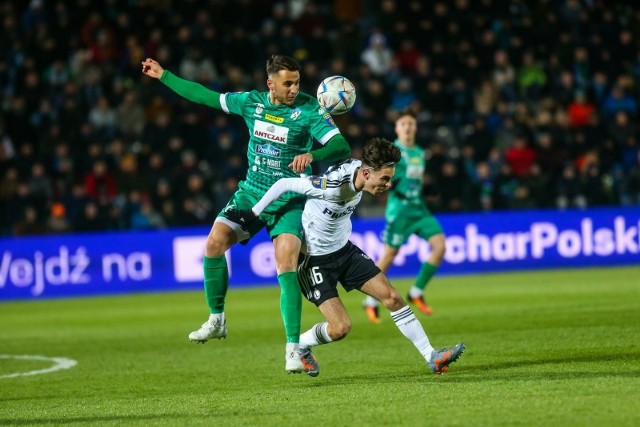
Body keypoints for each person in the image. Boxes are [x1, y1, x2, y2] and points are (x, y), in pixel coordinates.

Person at [141, 55, 351, 373]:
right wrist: (164, 76)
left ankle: (293, 349)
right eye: (288, 83)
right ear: (271, 84)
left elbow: (341, 146)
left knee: (286, 265)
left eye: (297, 82)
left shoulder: (310, 109)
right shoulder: (250, 103)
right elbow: (205, 96)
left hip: (290, 199)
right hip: (251, 193)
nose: (295, 88)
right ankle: (217, 320)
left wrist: (313, 153)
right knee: (213, 245)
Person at [226, 138, 465, 377]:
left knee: (392, 297)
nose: (388, 184)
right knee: (341, 328)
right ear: (366, 173)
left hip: (345, 252)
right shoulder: (331, 186)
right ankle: (300, 344)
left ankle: (431, 356)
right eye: (384, 178)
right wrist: (253, 213)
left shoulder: (361, 171)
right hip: (314, 261)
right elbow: (285, 184)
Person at [363, 110, 447, 323]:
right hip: (399, 211)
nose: (408, 127)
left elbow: (415, 181)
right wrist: (390, 185)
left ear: (415, 127)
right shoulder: (393, 154)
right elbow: (384, 179)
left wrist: (427, 190)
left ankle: (416, 291)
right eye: (403, 124)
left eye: (411, 123)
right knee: (390, 254)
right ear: (397, 128)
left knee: (440, 246)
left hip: (419, 209)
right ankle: (371, 300)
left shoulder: (419, 152)